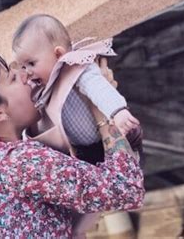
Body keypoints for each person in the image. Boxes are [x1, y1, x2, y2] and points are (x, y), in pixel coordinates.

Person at [0, 46, 145, 237]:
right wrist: (99, 106)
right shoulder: (15, 161)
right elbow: (126, 189)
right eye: (12, 77)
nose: (26, 75)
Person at [12, 14, 142, 163]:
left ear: (59, 54)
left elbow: (98, 87)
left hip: (112, 132)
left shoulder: (76, 66)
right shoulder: (40, 87)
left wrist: (117, 111)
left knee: (128, 163)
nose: (27, 71)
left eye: (31, 63)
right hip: (81, 151)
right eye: (23, 66)